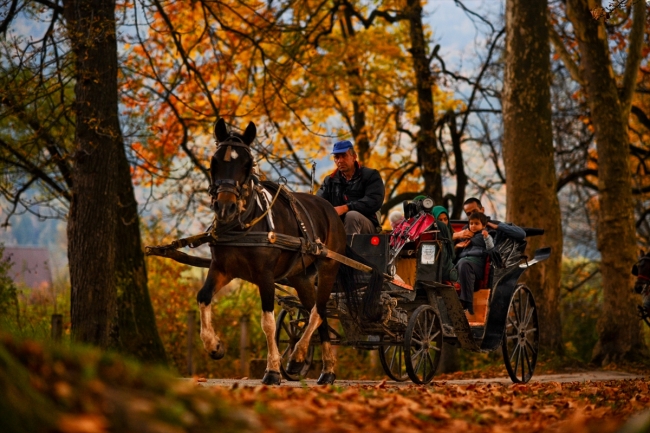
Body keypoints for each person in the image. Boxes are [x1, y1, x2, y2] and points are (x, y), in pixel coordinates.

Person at [317, 140, 385, 234]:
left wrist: (346, 208)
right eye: (337, 157)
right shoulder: (330, 180)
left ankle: (347, 248)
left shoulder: (371, 175)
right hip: (337, 226)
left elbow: (373, 200)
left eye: (344, 156)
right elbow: (319, 203)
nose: (340, 160)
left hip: (367, 227)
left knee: (352, 216)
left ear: (354, 157)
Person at [455, 211, 494, 314]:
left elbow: (490, 247)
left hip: (477, 264)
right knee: (460, 264)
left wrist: (486, 237)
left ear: (484, 225)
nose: (473, 226)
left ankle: (468, 302)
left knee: (464, 264)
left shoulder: (484, 236)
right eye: (471, 223)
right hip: (463, 261)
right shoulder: (464, 236)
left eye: (476, 223)